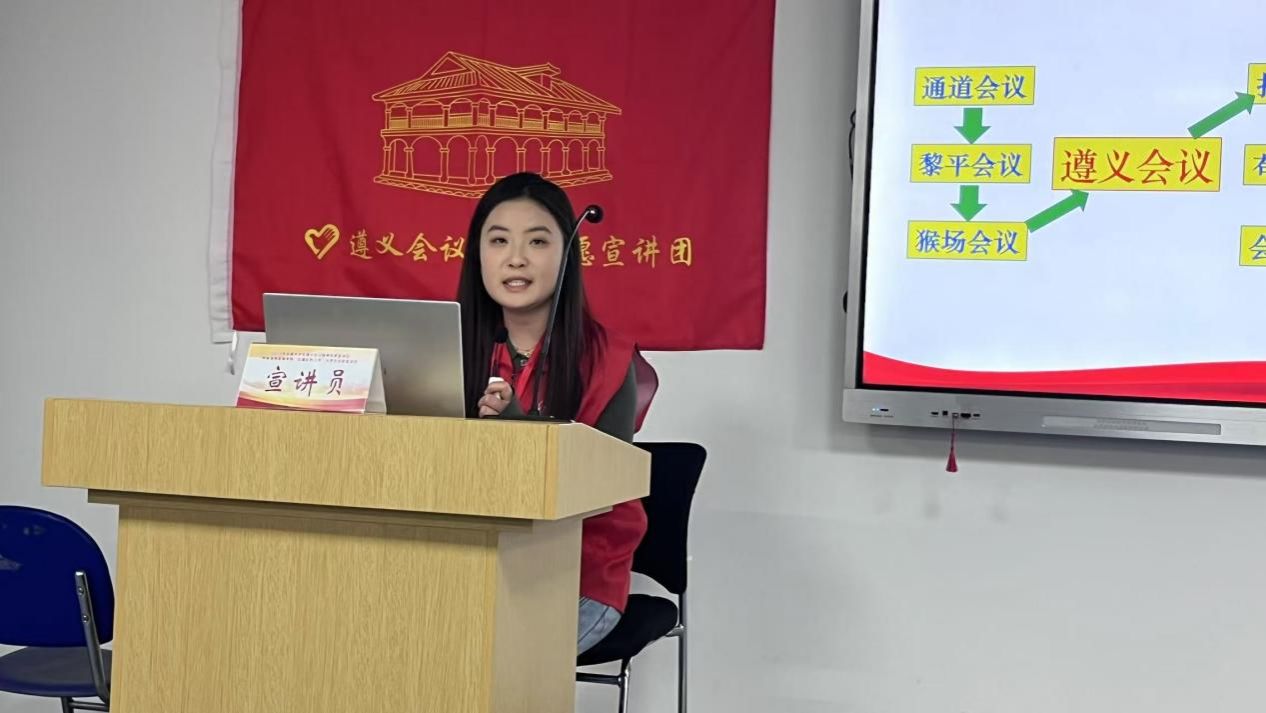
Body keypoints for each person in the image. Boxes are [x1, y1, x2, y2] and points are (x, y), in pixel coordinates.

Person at [455, 172, 657, 655]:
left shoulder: (608, 359)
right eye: (498, 240)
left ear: (567, 254)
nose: (515, 258)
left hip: (574, 580)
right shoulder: (449, 346)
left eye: (538, 241)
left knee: (472, 660)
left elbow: (603, 492)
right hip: (464, 568)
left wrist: (522, 434)